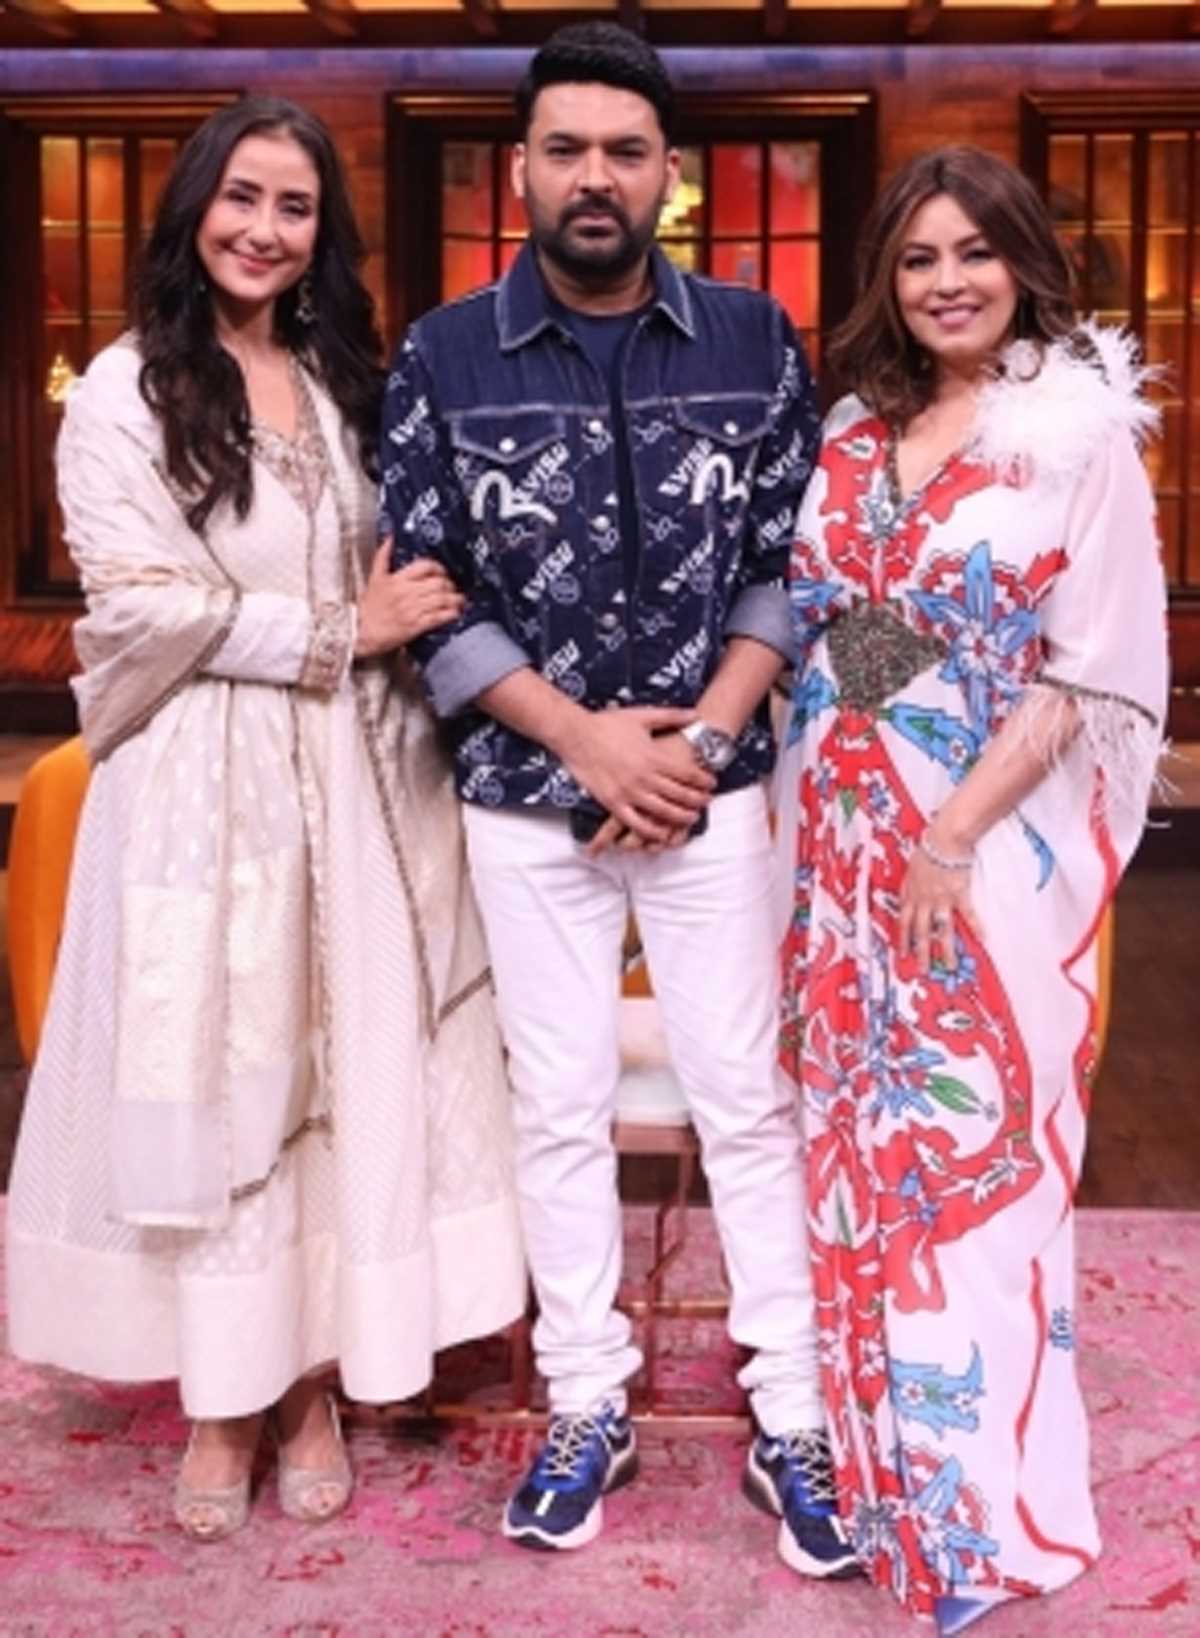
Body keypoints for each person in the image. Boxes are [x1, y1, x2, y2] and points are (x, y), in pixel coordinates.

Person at [5, 96, 525, 1541]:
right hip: (204, 793)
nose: (264, 229)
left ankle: (310, 1386)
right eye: (242, 197)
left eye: (295, 208)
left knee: (340, 1075)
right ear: (194, 207)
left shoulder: (343, 376)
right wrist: (343, 627)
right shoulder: (125, 389)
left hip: (361, 783)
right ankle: (222, 1403)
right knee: (227, 1080)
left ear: (322, 234)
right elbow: (136, 605)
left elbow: (412, 559)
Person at [380, 21, 855, 1577]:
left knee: (747, 1097)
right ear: (521, 166)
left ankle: (791, 1406)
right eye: (567, 148)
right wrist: (588, 742)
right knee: (560, 1103)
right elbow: (428, 594)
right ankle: (589, 1398)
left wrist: (699, 742)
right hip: (530, 795)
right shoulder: (444, 354)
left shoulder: (755, 338)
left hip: (714, 790)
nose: (596, 176)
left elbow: (789, 565)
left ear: (670, 173)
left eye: (626, 151)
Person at [775, 145, 1168, 1633]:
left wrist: (951, 821)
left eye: (975, 252)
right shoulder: (858, 430)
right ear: (887, 277)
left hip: (988, 860)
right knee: (860, 1165)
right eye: (919, 257)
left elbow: (1087, 669)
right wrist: (884, 763)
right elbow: (856, 624)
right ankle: (886, 1492)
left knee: (971, 1168)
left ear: (1025, 264)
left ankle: (988, 1517)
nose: (948, 282)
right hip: (844, 848)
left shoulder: (1075, 435)